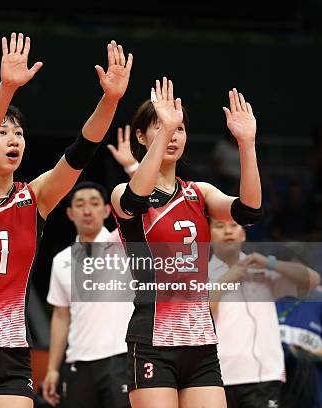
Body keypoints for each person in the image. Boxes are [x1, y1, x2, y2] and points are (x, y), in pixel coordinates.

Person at [0, 33, 133, 408]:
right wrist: (6, 89)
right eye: (3, 132)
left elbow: (81, 151)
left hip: (11, 353)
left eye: (19, 133)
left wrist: (110, 100)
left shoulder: (36, 196)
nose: (14, 140)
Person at [111, 79, 263, 408]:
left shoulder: (200, 192)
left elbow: (249, 211)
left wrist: (247, 144)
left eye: (179, 129)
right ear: (141, 136)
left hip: (201, 344)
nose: (173, 135)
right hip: (152, 340)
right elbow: (136, 200)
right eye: (162, 127)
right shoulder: (123, 193)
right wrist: (164, 130)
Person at [208, 218, 320, 408]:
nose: (228, 231)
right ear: (208, 236)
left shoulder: (262, 270)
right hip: (216, 377)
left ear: (243, 234)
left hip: (264, 377)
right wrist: (228, 277)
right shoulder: (200, 273)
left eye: (234, 226)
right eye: (219, 226)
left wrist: (270, 263)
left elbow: (312, 280)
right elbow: (201, 310)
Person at [42, 181, 133, 408]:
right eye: (80, 205)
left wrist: (131, 165)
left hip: (121, 358)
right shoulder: (61, 260)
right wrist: (53, 369)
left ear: (106, 210)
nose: (87, 210)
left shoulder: (123, 245)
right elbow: (61, 316)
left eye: (94, 203)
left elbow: (139, 213)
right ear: (70, 214)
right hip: (77, 363)